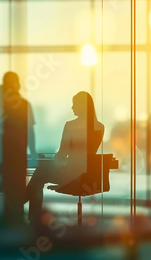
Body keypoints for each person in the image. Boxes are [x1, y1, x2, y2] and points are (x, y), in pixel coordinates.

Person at [26, 91, 104, 222]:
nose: (72, 107)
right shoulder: (100, 127)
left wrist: (55, 159)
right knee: (41, 173)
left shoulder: (70, 125)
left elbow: (63, 154)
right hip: (88, 176)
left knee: (40, 172)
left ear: (82, 106)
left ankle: (30, 216)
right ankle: (26, 212)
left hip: (71, 175)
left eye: (74, 104)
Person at [1, 72, 37, 225]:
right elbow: (30, 130)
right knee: (18, 185)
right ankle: (17, 218)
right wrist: (33, 151)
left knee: (8, 186)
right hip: (18, 153)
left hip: (4, 154)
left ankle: (8, 217)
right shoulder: (24, 104)